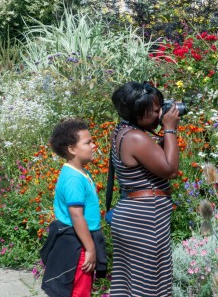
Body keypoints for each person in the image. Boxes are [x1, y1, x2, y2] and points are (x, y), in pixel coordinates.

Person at [109, 82, 179, 296]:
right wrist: (169, 129)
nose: (161, 115)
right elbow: (170, 169)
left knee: (131, 285)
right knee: (152, 286)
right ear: (138, 113)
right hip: (146, 219)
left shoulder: (123, 130)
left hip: (132, 216)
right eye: (156, 111)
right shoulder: (136, 137)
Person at [41, 119, 107, 297]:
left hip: (82, 240)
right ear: (71, 148)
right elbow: (77, 217)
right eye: (88, 142)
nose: (94, 145)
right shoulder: (73, 179)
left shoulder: (80, 172)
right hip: (78, 246)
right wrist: (90, 248)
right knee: (78, 291)